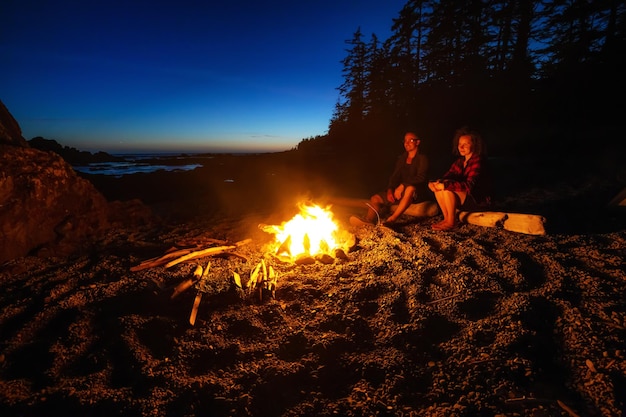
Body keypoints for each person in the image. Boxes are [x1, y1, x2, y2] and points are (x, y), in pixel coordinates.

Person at [350, 131, 430, 227]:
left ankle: (392, 220)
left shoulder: (422, 158)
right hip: (401, 192)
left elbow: (422, 177)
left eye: (411, 140)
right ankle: (369, 220)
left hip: (417, 193)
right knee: (375, 198)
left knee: (410, 189)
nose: (407, 143)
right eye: (405, 140)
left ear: (417, 142)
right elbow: (395, 176)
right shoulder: (402, 158)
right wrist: (390, 189)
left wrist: (403, 185)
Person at [428, 126, 491, 231]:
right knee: (441, 186)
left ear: (474, 145)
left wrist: (445, 185)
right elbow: (447, 176)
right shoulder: (460, 162)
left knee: (447, 187)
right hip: (465, 198)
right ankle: (447, 218)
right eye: (459, 144)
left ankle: (452, 222)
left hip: (478, 200)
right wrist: (433, 183)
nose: (461, 147)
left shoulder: (478, 162)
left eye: (465, 144)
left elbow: (469, 186)